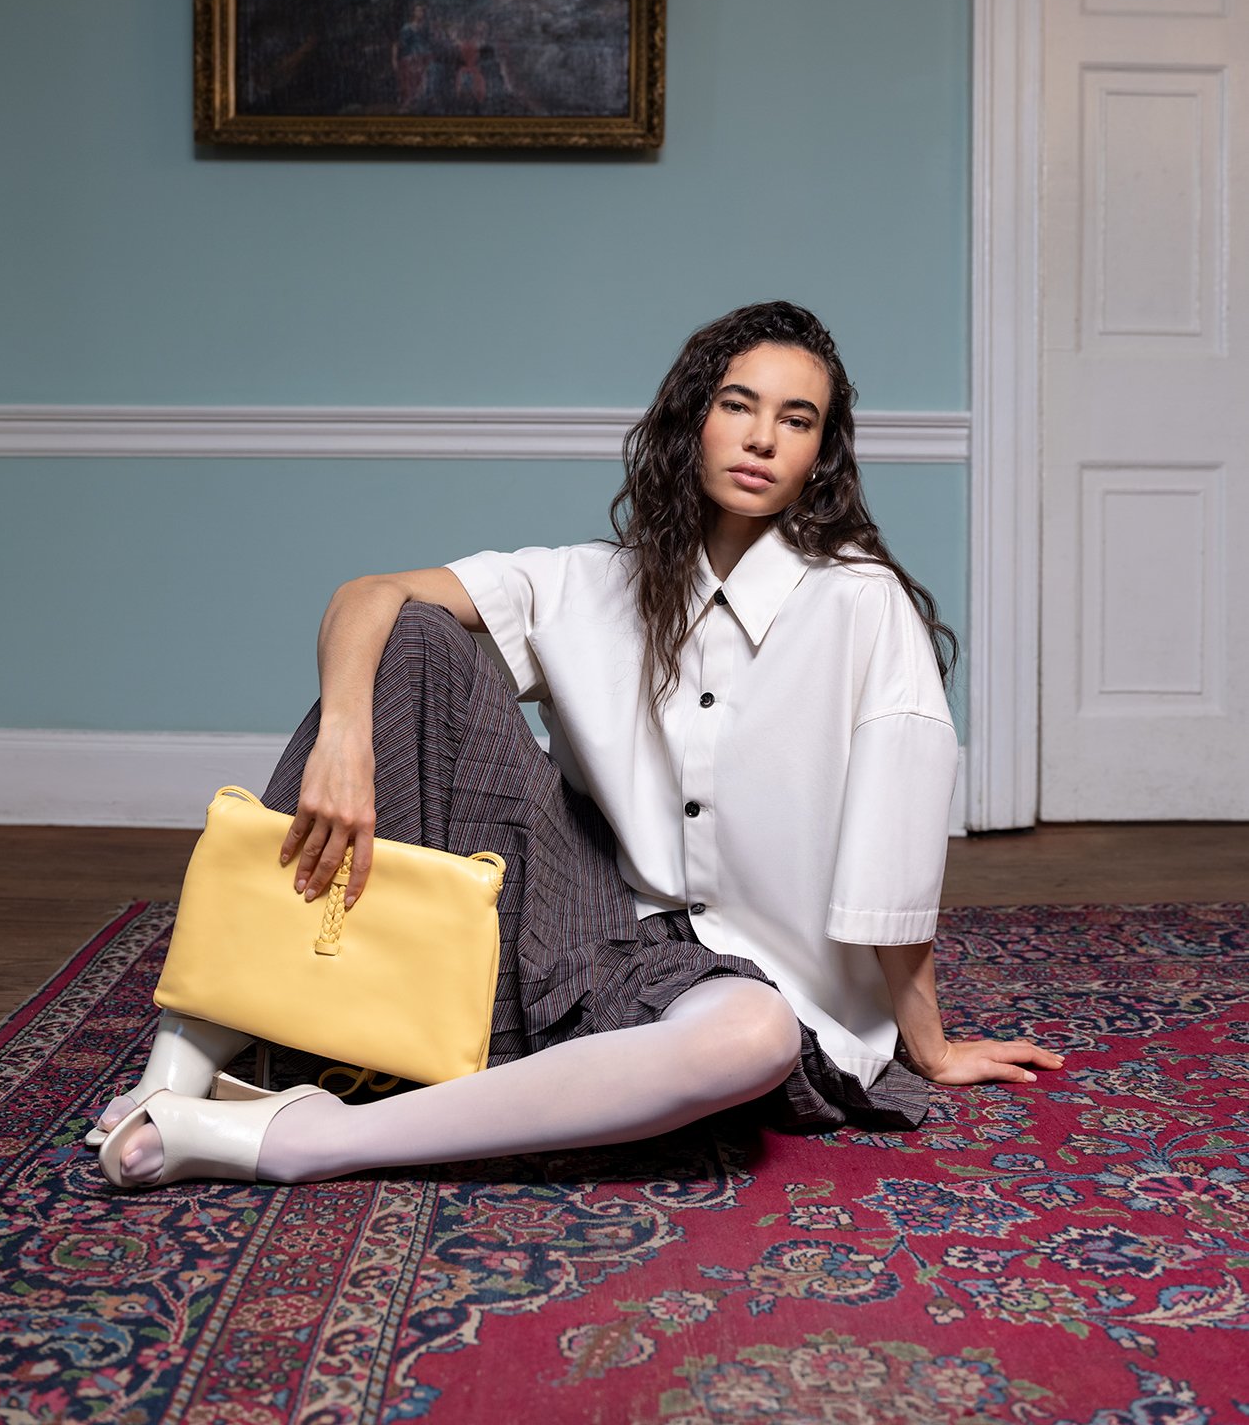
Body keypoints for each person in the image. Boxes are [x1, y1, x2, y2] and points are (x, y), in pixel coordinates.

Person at [93, 302, 1061, 1190]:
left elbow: (891, 864)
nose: (764, 436)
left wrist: (926, 1045)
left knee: (755, 1034)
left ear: (821, 453)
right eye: (739, 403)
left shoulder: (862, 605)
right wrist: (343, 734)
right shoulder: (593, 582)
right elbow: (367, 594)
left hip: (754, 988)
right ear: (694, 418)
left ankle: (301, 1138)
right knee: (415, 635)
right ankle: (175, 1065)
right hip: (584, 917)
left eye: (797, 419)